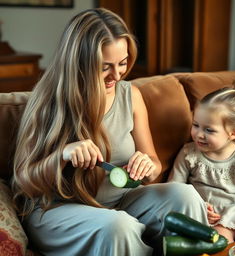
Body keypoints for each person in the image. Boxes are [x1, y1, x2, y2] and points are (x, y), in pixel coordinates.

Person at [12, 8, 208, 256]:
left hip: (121, 202)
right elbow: (23, 181)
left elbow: (155, 165)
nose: (117, 75)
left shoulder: (131, 96)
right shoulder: (46, 101)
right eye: (105, 67)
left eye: (123, 63)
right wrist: (62, 155)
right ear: (79, 62)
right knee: (118, 226)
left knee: (185, 195)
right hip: (58, 210)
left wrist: (147, 165)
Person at [168, 76, 235, 243]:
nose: (199, 134)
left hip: (231, 221)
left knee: (217, 240)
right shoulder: (188, 153)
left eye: (209, 130)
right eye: (196, 125)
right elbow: (174, 189)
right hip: (195, 217)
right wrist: (197, 208)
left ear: (234, 133)